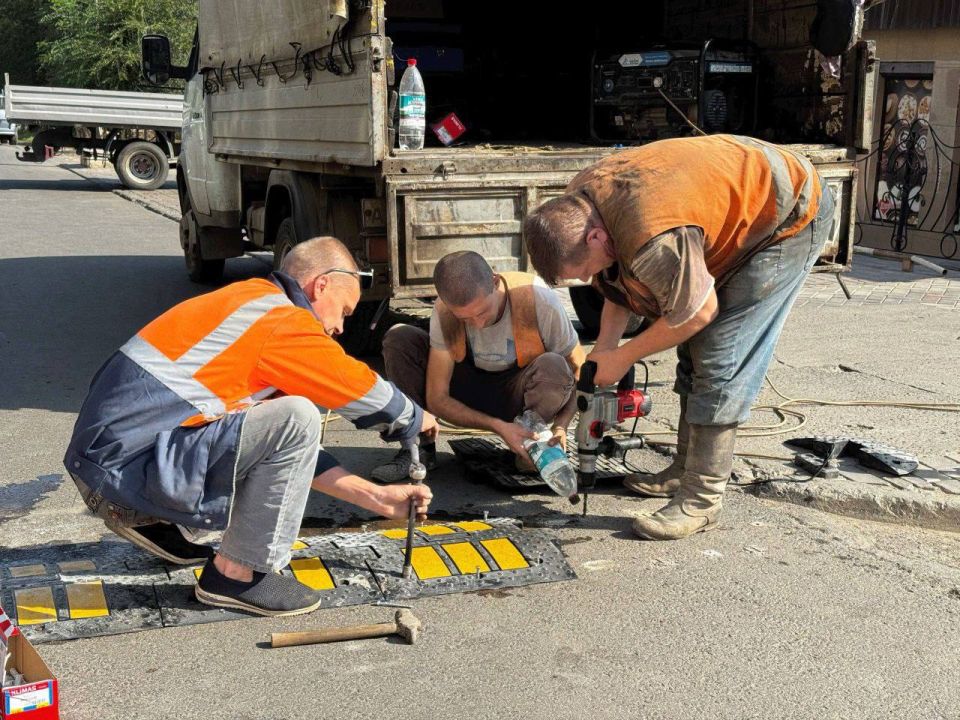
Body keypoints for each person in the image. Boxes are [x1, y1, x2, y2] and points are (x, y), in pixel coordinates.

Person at [64, 236, 439, 616]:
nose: (341, 327)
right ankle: (237, 575)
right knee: (299, 415)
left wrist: (375, 497)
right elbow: (353, 386)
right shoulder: (280, 318)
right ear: (320, 284)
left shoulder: (248, 306)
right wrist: (411, 415)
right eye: (344, 311)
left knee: (289, 421)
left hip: (110, 464)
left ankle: (158, 523)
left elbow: (284, 451)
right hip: (122, 470)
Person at [523, 134, 834, 540]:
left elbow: (697, 311)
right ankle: (684, 468)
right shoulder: (578, 208)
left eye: (582, 269)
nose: (586, 280)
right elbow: (619, 279)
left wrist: (625, 356)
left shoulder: (654, 236)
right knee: (691, 343)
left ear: (595, 238)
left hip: (785, 215)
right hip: (716, 203)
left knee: (721, 352)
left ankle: (702, 498)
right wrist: (605, 347)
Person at [372, 251, 585, 482]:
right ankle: (417, 450)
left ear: (495, 282)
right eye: (465, 319)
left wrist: (561, 426)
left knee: (554, 365)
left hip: (520, 396)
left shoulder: (538, 298)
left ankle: (532, 444)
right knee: (399, 339)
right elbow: (437, 398)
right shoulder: (445, 310)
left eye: (482, 312)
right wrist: (498, 427)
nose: (478, 324)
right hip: (470, 393)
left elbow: (581, 372)